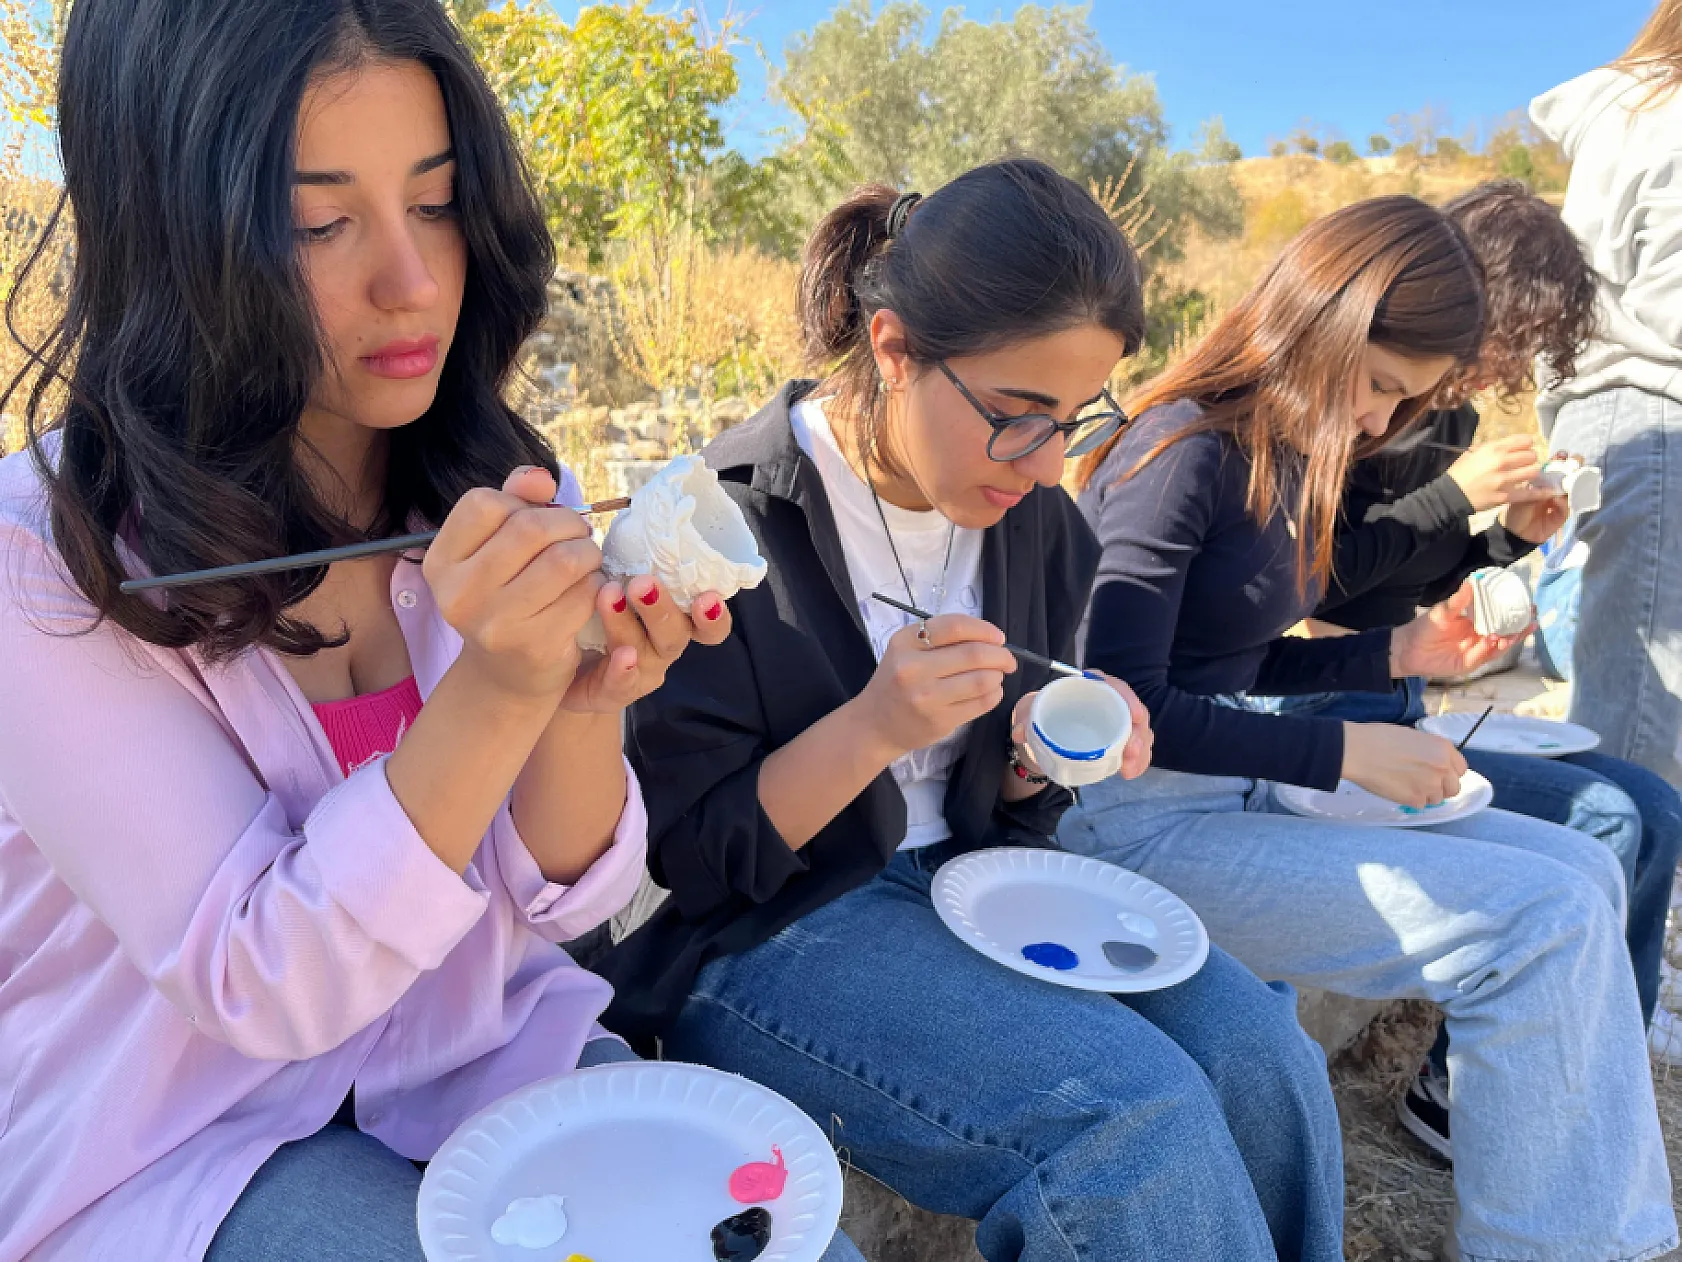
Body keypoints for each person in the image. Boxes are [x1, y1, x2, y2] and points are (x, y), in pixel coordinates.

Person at [0, 3, 865, 1260]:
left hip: (477, 1066)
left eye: (439, 199)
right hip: (177, 1140)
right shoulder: (47, 551)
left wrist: (579, 702)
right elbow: (263, 975)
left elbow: (565, 894)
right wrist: (497, 694)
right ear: (171, 236)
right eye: (318, 221)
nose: (410, 282)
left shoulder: (497, 482)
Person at [594, 160, 1347, 1262]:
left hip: (970, 889)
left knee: (1256, 1051)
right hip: (769, 934)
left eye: (1075, 416)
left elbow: (1004, 820)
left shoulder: (1040, 525)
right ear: (892, 348)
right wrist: (870, 729)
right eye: (1014, 414)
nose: (1047, 464)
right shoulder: (712, 525)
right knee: (1133, 1119)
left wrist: (1032, 765)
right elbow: (682, 868)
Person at [1059, 195, 1675, 1262]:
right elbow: (1122, 704)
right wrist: (1341, 746)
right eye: (1382, 385)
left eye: (1411, 398)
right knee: (1535, 916)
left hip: (1227, 789)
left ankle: (1596, 1236)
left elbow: (1242, 665)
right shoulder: (1176, 452)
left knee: (1581, 869)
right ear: (1319, 322)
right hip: (1122, 825)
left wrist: (1396, 655)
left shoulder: (1287, 452)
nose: (1386, 424)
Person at [1237, 181, 1682, 1092]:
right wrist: (1456, 495)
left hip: (1397, 693)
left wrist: (1511, 538)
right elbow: (1311, 583)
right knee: (1606, 816)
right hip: (1322, 693)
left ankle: (1607, 1066)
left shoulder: (1453, 419)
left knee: (1654, 802)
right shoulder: (1355, 404)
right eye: (1506, 338)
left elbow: (1419, 579)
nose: (1493, 370)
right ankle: (1465, 1091)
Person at [1530, 0, 1682, 787]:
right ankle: (1620, 903)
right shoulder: (1669, 110)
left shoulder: (1639, 109)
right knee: (1643, 716)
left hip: (1616, 412)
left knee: (1632, 694)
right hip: (1658, 414)